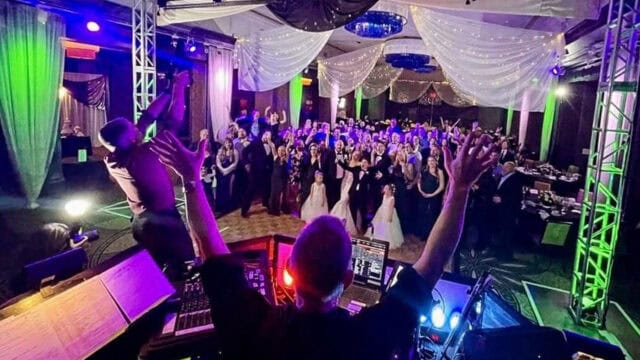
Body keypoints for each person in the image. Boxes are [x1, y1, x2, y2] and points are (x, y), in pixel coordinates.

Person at [148, 130, 494, 360]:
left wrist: (190, 181)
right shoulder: (367, 336)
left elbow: (209, 246)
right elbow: (433, 262)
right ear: (346, 280)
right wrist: (459, 188)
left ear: (288, 269)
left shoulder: (253, 323)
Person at [98, 71, 194, 274]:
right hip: (161, 223)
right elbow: (173, 121)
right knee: (182, 266)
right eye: (131, 129)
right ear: (128, 140)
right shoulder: (140, 157)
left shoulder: (114, 157)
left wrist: (168, 89)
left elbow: (147, 118)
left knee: (157, 267)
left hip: (143, 221)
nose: (136, 127)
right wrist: (179, 88)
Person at [491, 161, 522, 259]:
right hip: (501, 210)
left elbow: (516, 197)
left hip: (509, 211)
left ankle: (506, 255)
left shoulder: (515, 180)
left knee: (507, 233)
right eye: (503, 167)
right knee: (501, 232)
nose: (503, 169)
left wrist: (502, 200)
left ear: (512, 169)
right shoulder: (502, 176)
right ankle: (500, 251)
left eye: (506, 167)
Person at [240, 131, 274, 218]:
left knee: (267, 189)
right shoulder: (255, 143)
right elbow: (244, 152)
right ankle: (244, 209)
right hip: (256, 171)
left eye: (269, 135)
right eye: (266, 134)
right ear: (262, 135)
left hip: (267, 171)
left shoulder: (271, 144)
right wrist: (247, 164)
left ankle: (266, 204)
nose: (267, 136)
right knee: (251, 190)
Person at [416, 156, 446, 239]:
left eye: (432, 161)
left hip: (434, 197)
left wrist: (432, 195)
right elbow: (419, 181)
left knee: (431, 215)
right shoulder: (424, 170)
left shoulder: (440, 172)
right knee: (422, 213)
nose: (431, 163)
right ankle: (422, 234)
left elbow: (442, 186)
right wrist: (421, 191)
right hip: (423, 195)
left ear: (436, 162)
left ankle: (431, 235)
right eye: (429, 161)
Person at [366, 184, 403, 250]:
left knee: (387, 226)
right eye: (384, 188)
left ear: (389, 190)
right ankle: (380, 237)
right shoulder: (384, 196)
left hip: (388, 213)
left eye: (386, 188)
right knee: (381, 225)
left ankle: (386, 240)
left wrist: (390, 217)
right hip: (382, 212)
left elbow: (391, 209)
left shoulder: (392, 198)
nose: (384, 190)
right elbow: (383, 205)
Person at [329, 167, 357, 235]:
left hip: (351, 187)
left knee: (343, 202)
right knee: (342, 201)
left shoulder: (358, 166)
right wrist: (343, 186)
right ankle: (338, 218)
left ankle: (342, 219)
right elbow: (345, 177)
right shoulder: (348, 164)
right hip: (345, 186)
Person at [215, 138, 239, 213]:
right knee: (222, 188)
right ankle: (223, 206)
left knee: (230, 188)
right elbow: (218, 163)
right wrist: (223, 170)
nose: (228, 144)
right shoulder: (220, 152)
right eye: (226, 143)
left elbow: (235, 164)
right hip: (223, 173)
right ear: (224, 144)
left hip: (231, 173)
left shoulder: (235, 151)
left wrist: (226, 170)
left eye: (229, 143)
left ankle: (230, 206)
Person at [269, 145, 289, 215]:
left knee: (282, 194)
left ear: (284, 152)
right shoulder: (275, 157)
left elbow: (287, 148)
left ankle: (282, 208)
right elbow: (273, 147)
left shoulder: (286, 158)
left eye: (282, 150)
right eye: (279, 150)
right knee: (274, 194)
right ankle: (273, 209)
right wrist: (268, 139)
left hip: (283, 179)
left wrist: (290, 141)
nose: (280, 152)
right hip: (275, 178)